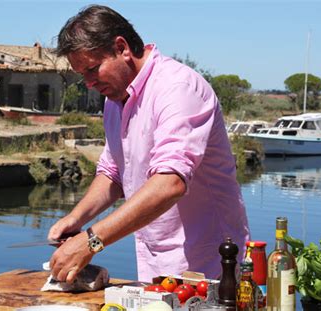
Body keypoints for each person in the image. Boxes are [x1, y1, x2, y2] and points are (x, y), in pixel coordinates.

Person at [48, 4, 250, 283]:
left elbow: (171, 183)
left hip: (211, 267)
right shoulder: (114, 101)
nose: (89, 83)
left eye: (93, 69)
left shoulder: (177, 88)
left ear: (122, 48)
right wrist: (77, 219)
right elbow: (114, 174)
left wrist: (91, 242)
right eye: (82, 75)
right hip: (156, 266)